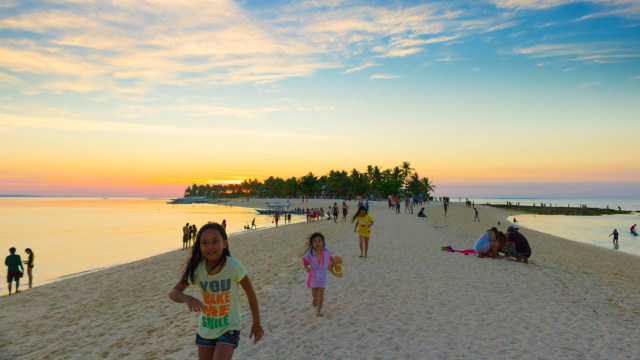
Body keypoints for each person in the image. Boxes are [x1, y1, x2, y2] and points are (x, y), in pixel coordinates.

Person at [169, 222, 264, 359]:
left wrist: (256, 322)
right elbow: (173, 292)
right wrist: (187, 298)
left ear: (224, 243)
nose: (210, 247)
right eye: (205, 243)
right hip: (206, 329)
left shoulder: (234, 266)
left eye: (215, 241)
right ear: (199, 246)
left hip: (229, 326)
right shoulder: (197, 270)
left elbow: (251, 293)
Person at [302, 232, 336, 317]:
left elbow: (331, 257)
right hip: (314, 275)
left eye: (319, 241)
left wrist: (333, 263)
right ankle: (315, 300)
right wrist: (306, 268)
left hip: (323, 275)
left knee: (321, 292)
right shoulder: (310, 252)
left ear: (322, 242)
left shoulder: (326, 250)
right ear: (312, 243)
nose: (317, 243)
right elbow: (305, 262)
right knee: (314, 294)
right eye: (315, 241)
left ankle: (318, 311)